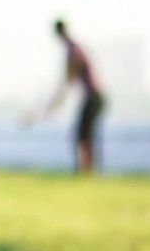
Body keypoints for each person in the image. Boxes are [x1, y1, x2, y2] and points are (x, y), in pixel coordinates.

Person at [25, 19, 105, 174]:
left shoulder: (73, 51)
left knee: (84, 135)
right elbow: (68, 83)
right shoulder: (76, 48)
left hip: (93, 96)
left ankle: (87, 171)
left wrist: (48, 109)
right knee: (84, 134)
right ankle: (87, 170)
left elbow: (67, 83)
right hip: (94, 96)